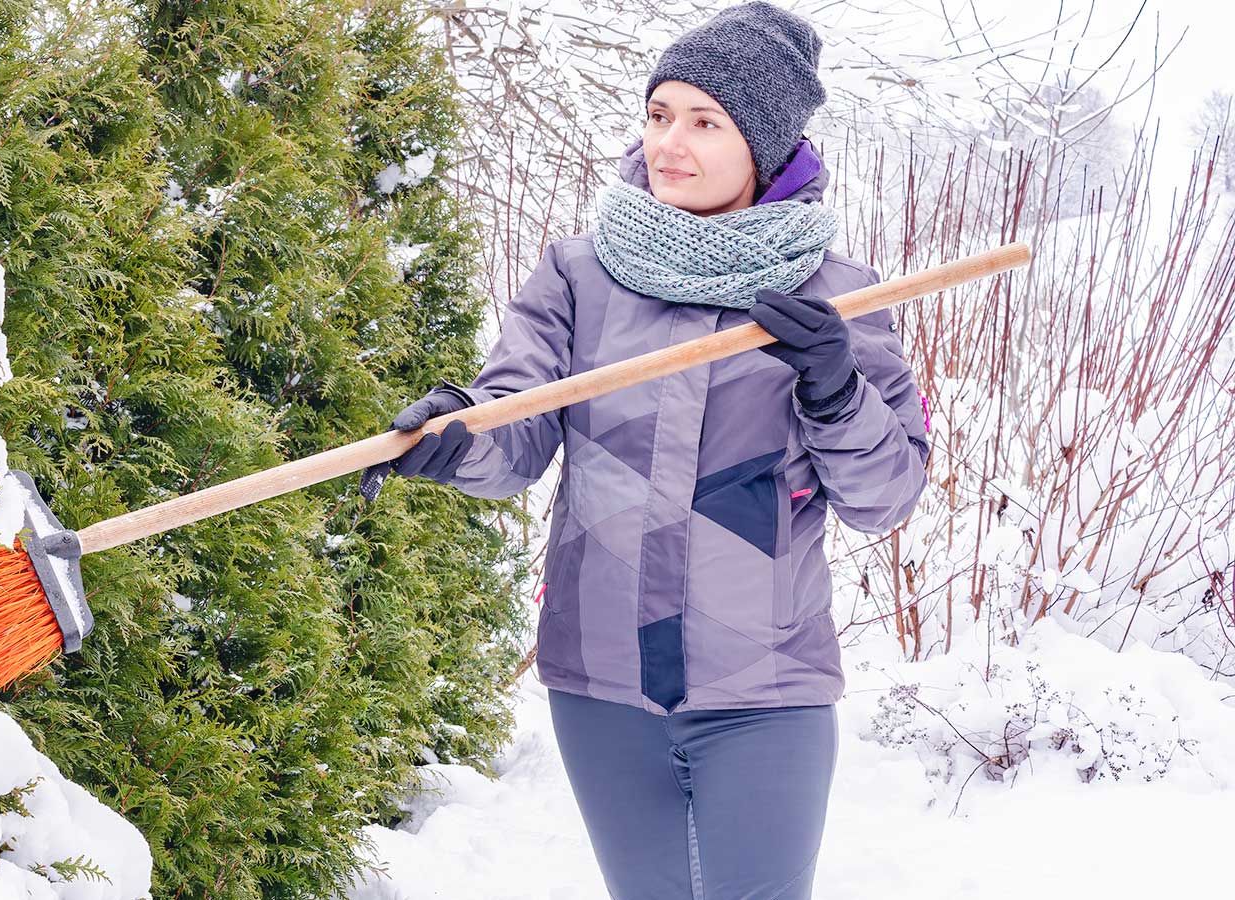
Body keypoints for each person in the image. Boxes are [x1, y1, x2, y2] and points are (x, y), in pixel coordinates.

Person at [359, 3, 932, 898]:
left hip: (764, 687)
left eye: (706, 122)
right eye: (660, 114)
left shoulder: (839, 299)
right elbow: (517, 425)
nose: (671, 143)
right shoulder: (580, 273)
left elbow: (886, 497)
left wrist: (835, 387)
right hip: (601, 684)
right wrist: (457, 437)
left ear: (766, 145)